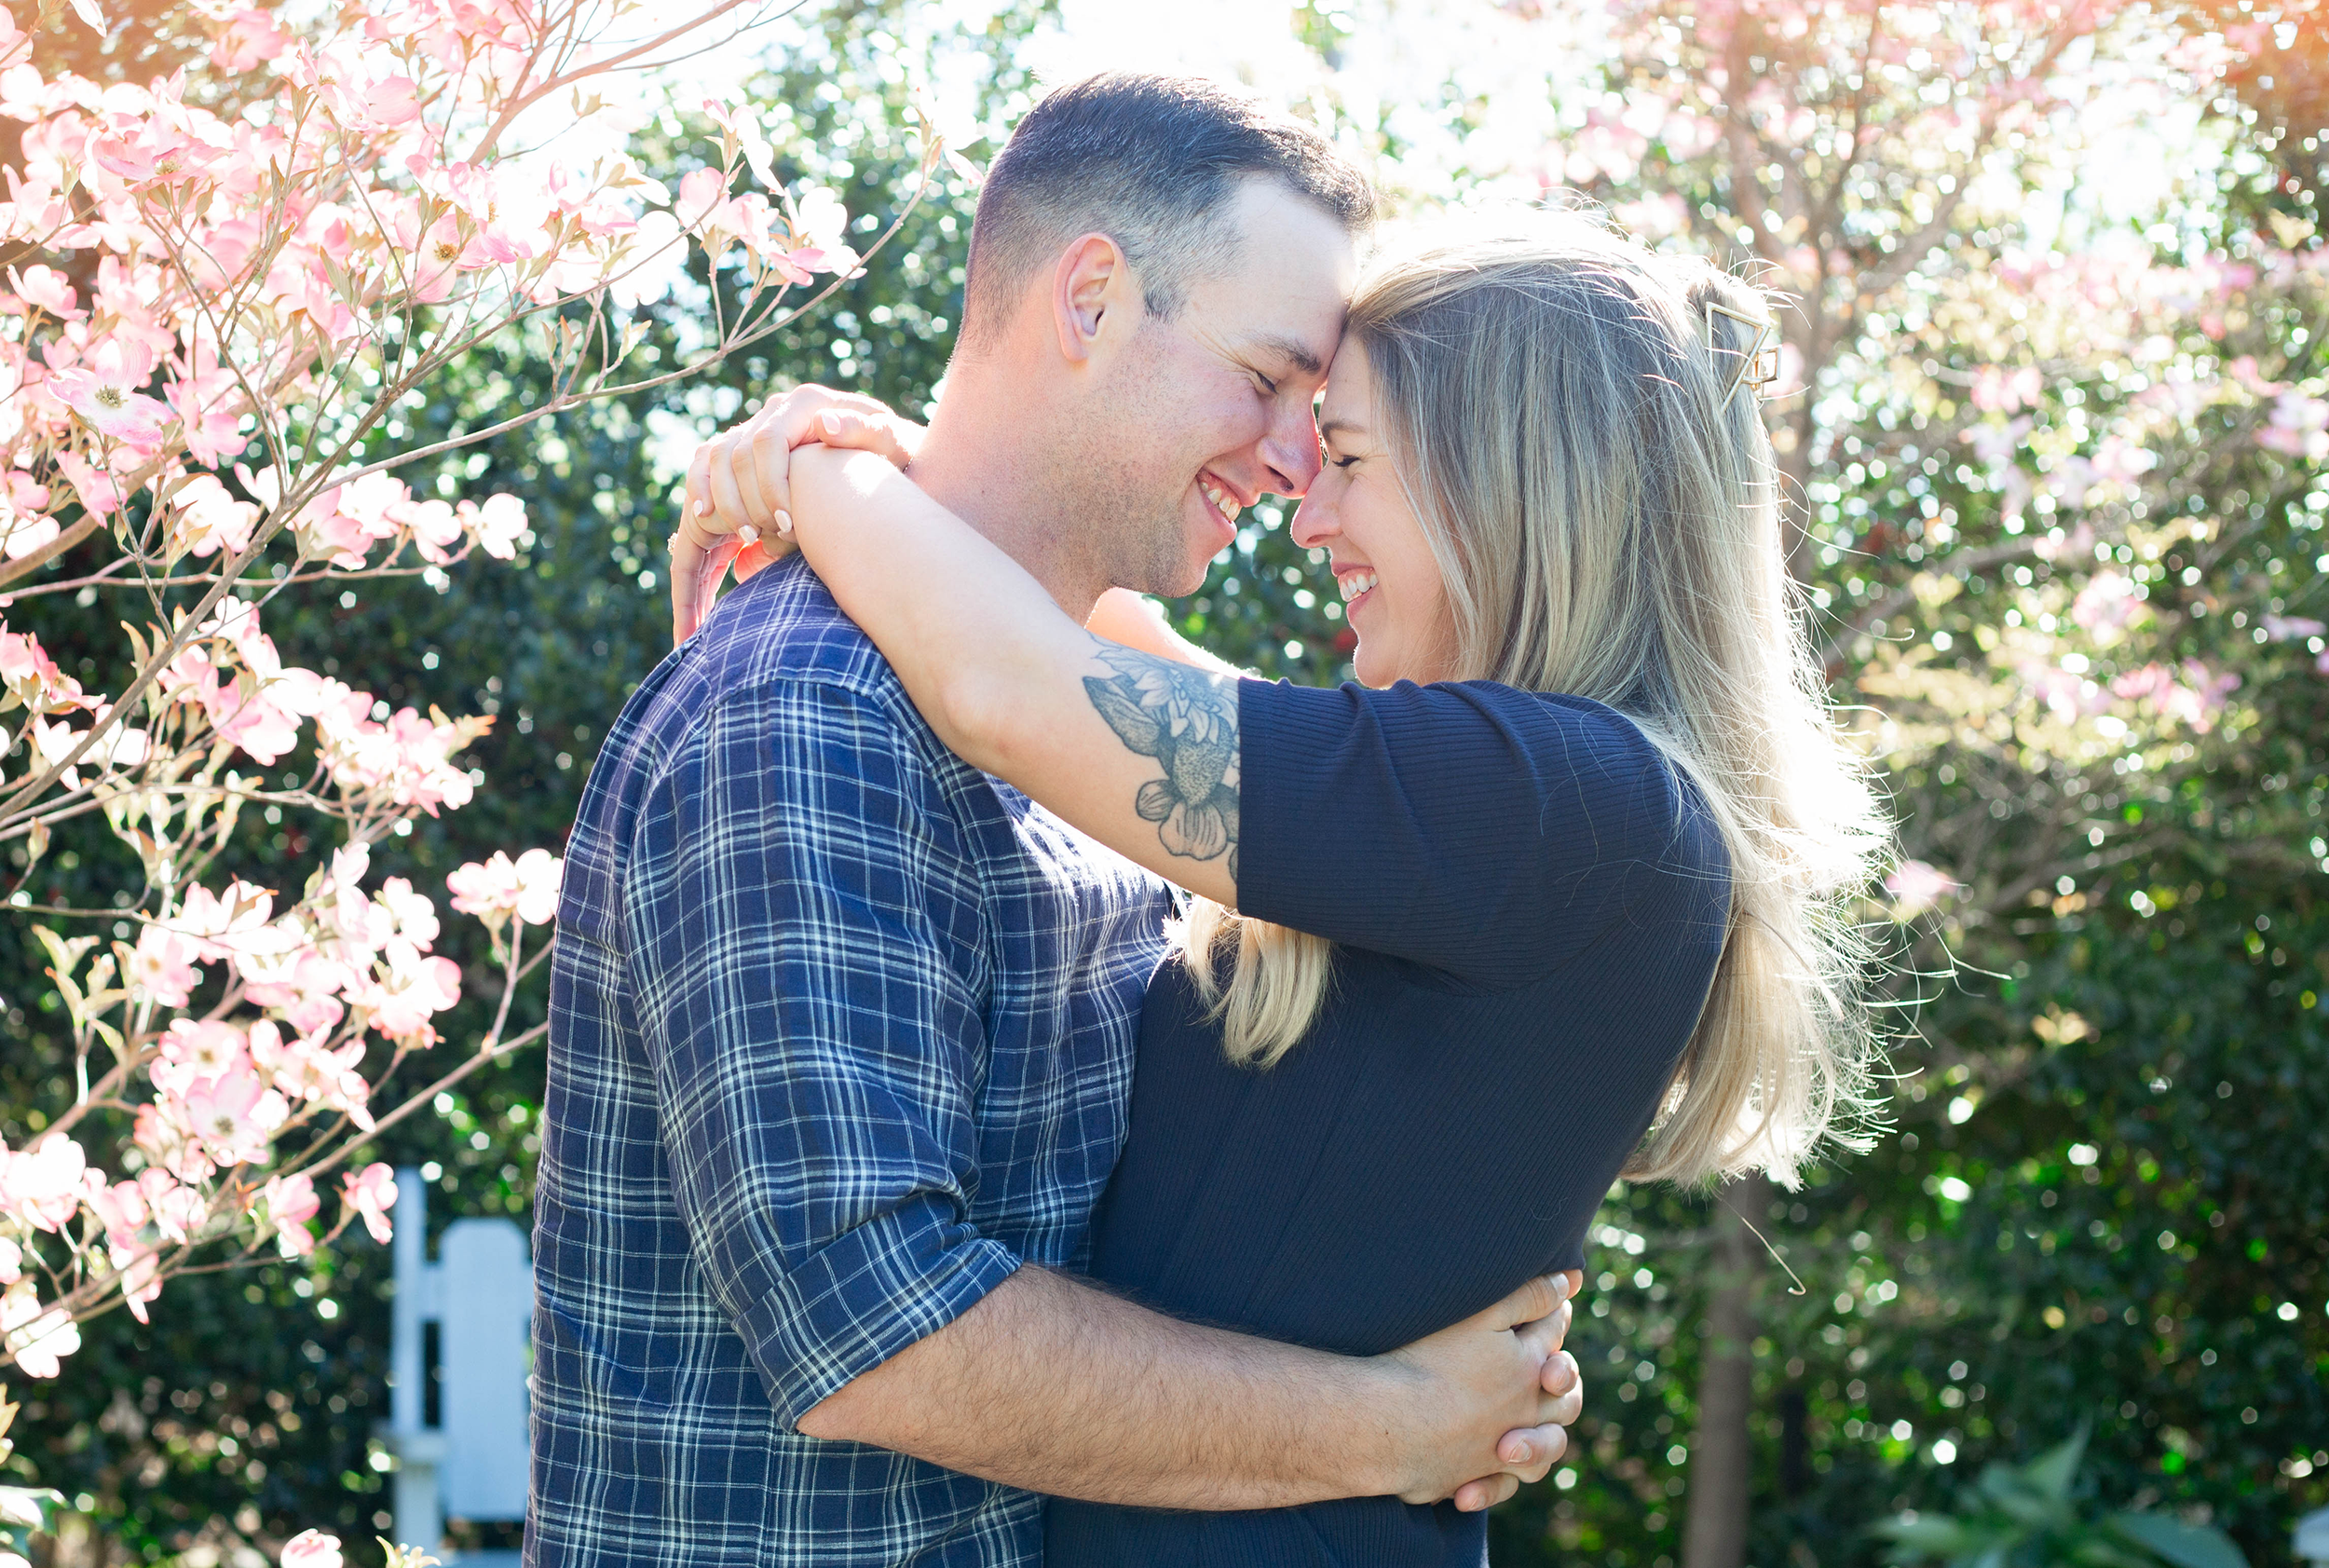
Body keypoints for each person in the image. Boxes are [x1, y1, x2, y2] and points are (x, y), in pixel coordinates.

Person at [672, 208, 1892, 1566]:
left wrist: (816, 470)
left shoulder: (1550, 797)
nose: (1307, 514)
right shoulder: (1551, 801)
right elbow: (1129, 660)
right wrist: (903, 467)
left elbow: (1014, 687)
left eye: (1352, 459)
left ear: (1501, 481)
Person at [532, 75, 1585, 1568]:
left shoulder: (1089, 733)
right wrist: (1392, 1421)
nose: (1298, 463)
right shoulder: (809, 710)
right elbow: (877, 1329)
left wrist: (1473, 1362)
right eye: (1271, 378)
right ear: (1089, 300)